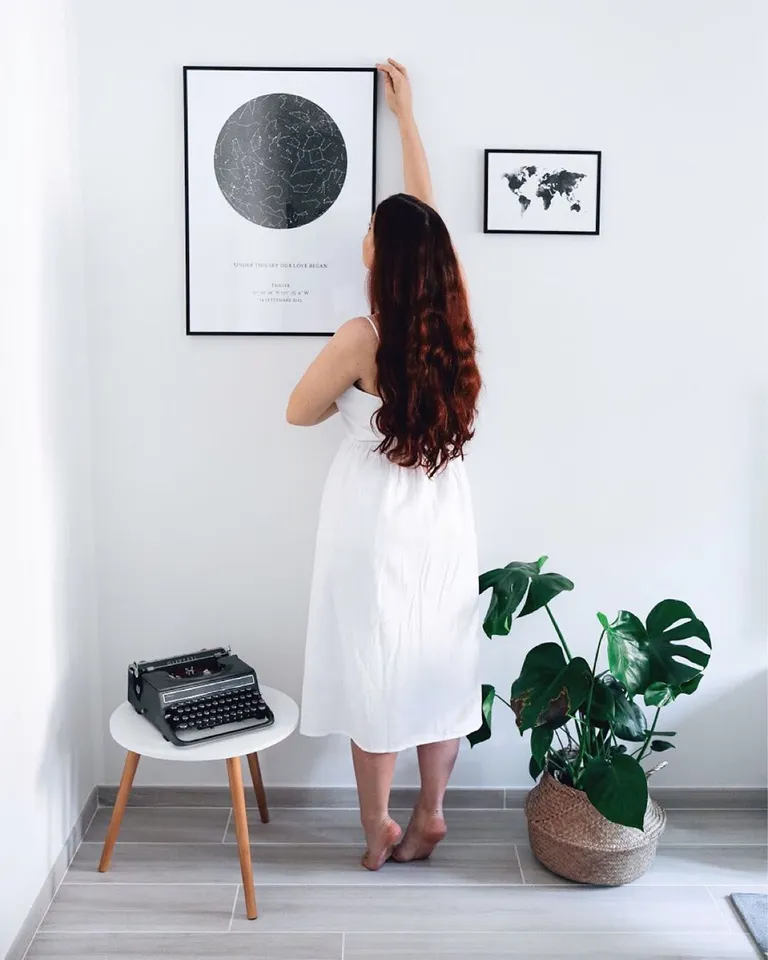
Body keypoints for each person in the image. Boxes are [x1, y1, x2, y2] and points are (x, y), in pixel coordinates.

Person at [286, 59, 482, 871]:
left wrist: (344, 399)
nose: (364, 234)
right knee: (437, 667)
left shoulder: (360, 339)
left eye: (372, 229)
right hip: (441, 517)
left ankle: (377, 828)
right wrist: (407, 120)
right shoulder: (453, 317)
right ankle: (431, 811)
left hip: (372, 524)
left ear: (383, 257)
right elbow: (424, 219)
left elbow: (297, 410)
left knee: (376, 666)